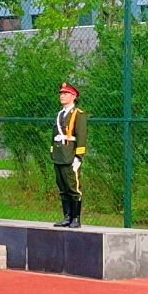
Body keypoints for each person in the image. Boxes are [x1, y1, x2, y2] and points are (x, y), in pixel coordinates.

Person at [52, 82, 88, 229]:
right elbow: (54, 135)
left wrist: (79, 157)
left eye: (65, 94)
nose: (62, 96)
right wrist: (53, 152)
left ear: (73, 96)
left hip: (70, 155)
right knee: (62, 187)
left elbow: (81, 135)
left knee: (73, 187)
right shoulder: (60, 114)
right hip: (59, 155)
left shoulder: (78, 114)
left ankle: (75, 218)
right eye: (61, 93)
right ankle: (67, 217)